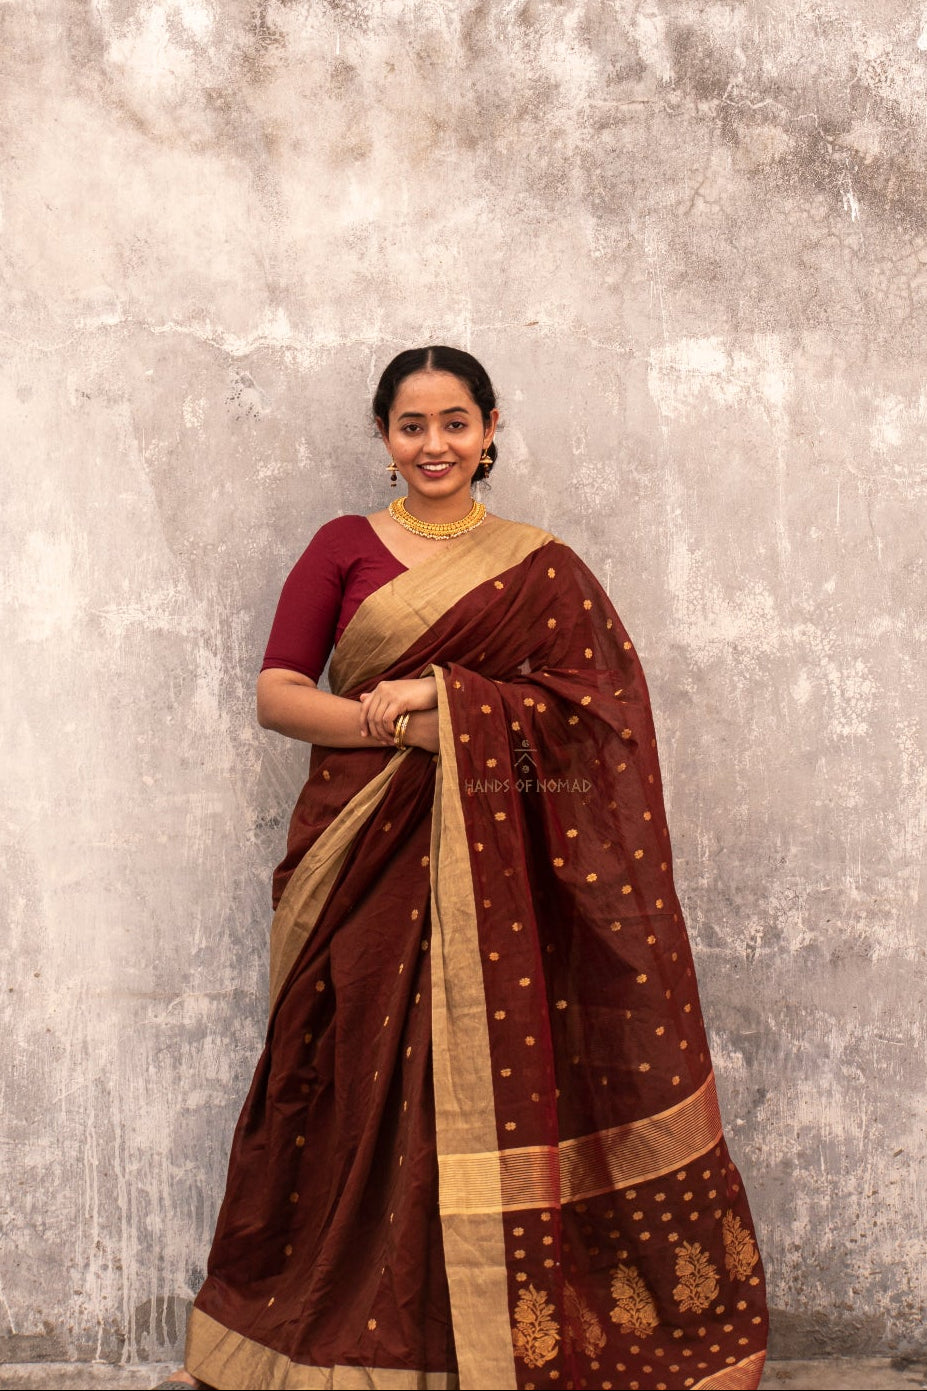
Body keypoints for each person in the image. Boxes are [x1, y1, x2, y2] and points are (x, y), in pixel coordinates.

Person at [157, 346, 768, 1391]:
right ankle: (353, 1341)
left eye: (453, 422)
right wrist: (395, 720)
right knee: (350, 1077)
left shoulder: (544, 567)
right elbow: (276, 692)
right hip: (358, 852)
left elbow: (600, 717)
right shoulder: (343, 548)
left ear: (491, 428)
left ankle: (489, 1338)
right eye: (410, 424)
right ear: (383, 436)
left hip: (501, 890)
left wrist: (450, 703)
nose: (432, 443)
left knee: (493, 1080)